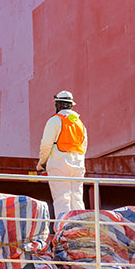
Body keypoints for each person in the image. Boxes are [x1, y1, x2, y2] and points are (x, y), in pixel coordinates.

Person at [36, 90, 87, 218]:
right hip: (78, 165)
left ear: (58, 105)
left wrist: (42, 163)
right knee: (77, 198)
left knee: (62, 199)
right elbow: (84, 146)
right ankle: (80, 230)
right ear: (71, 105)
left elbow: (46, 145)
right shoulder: (80, 124)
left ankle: (64, 230)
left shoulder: (55, 121)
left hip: (59, 164)